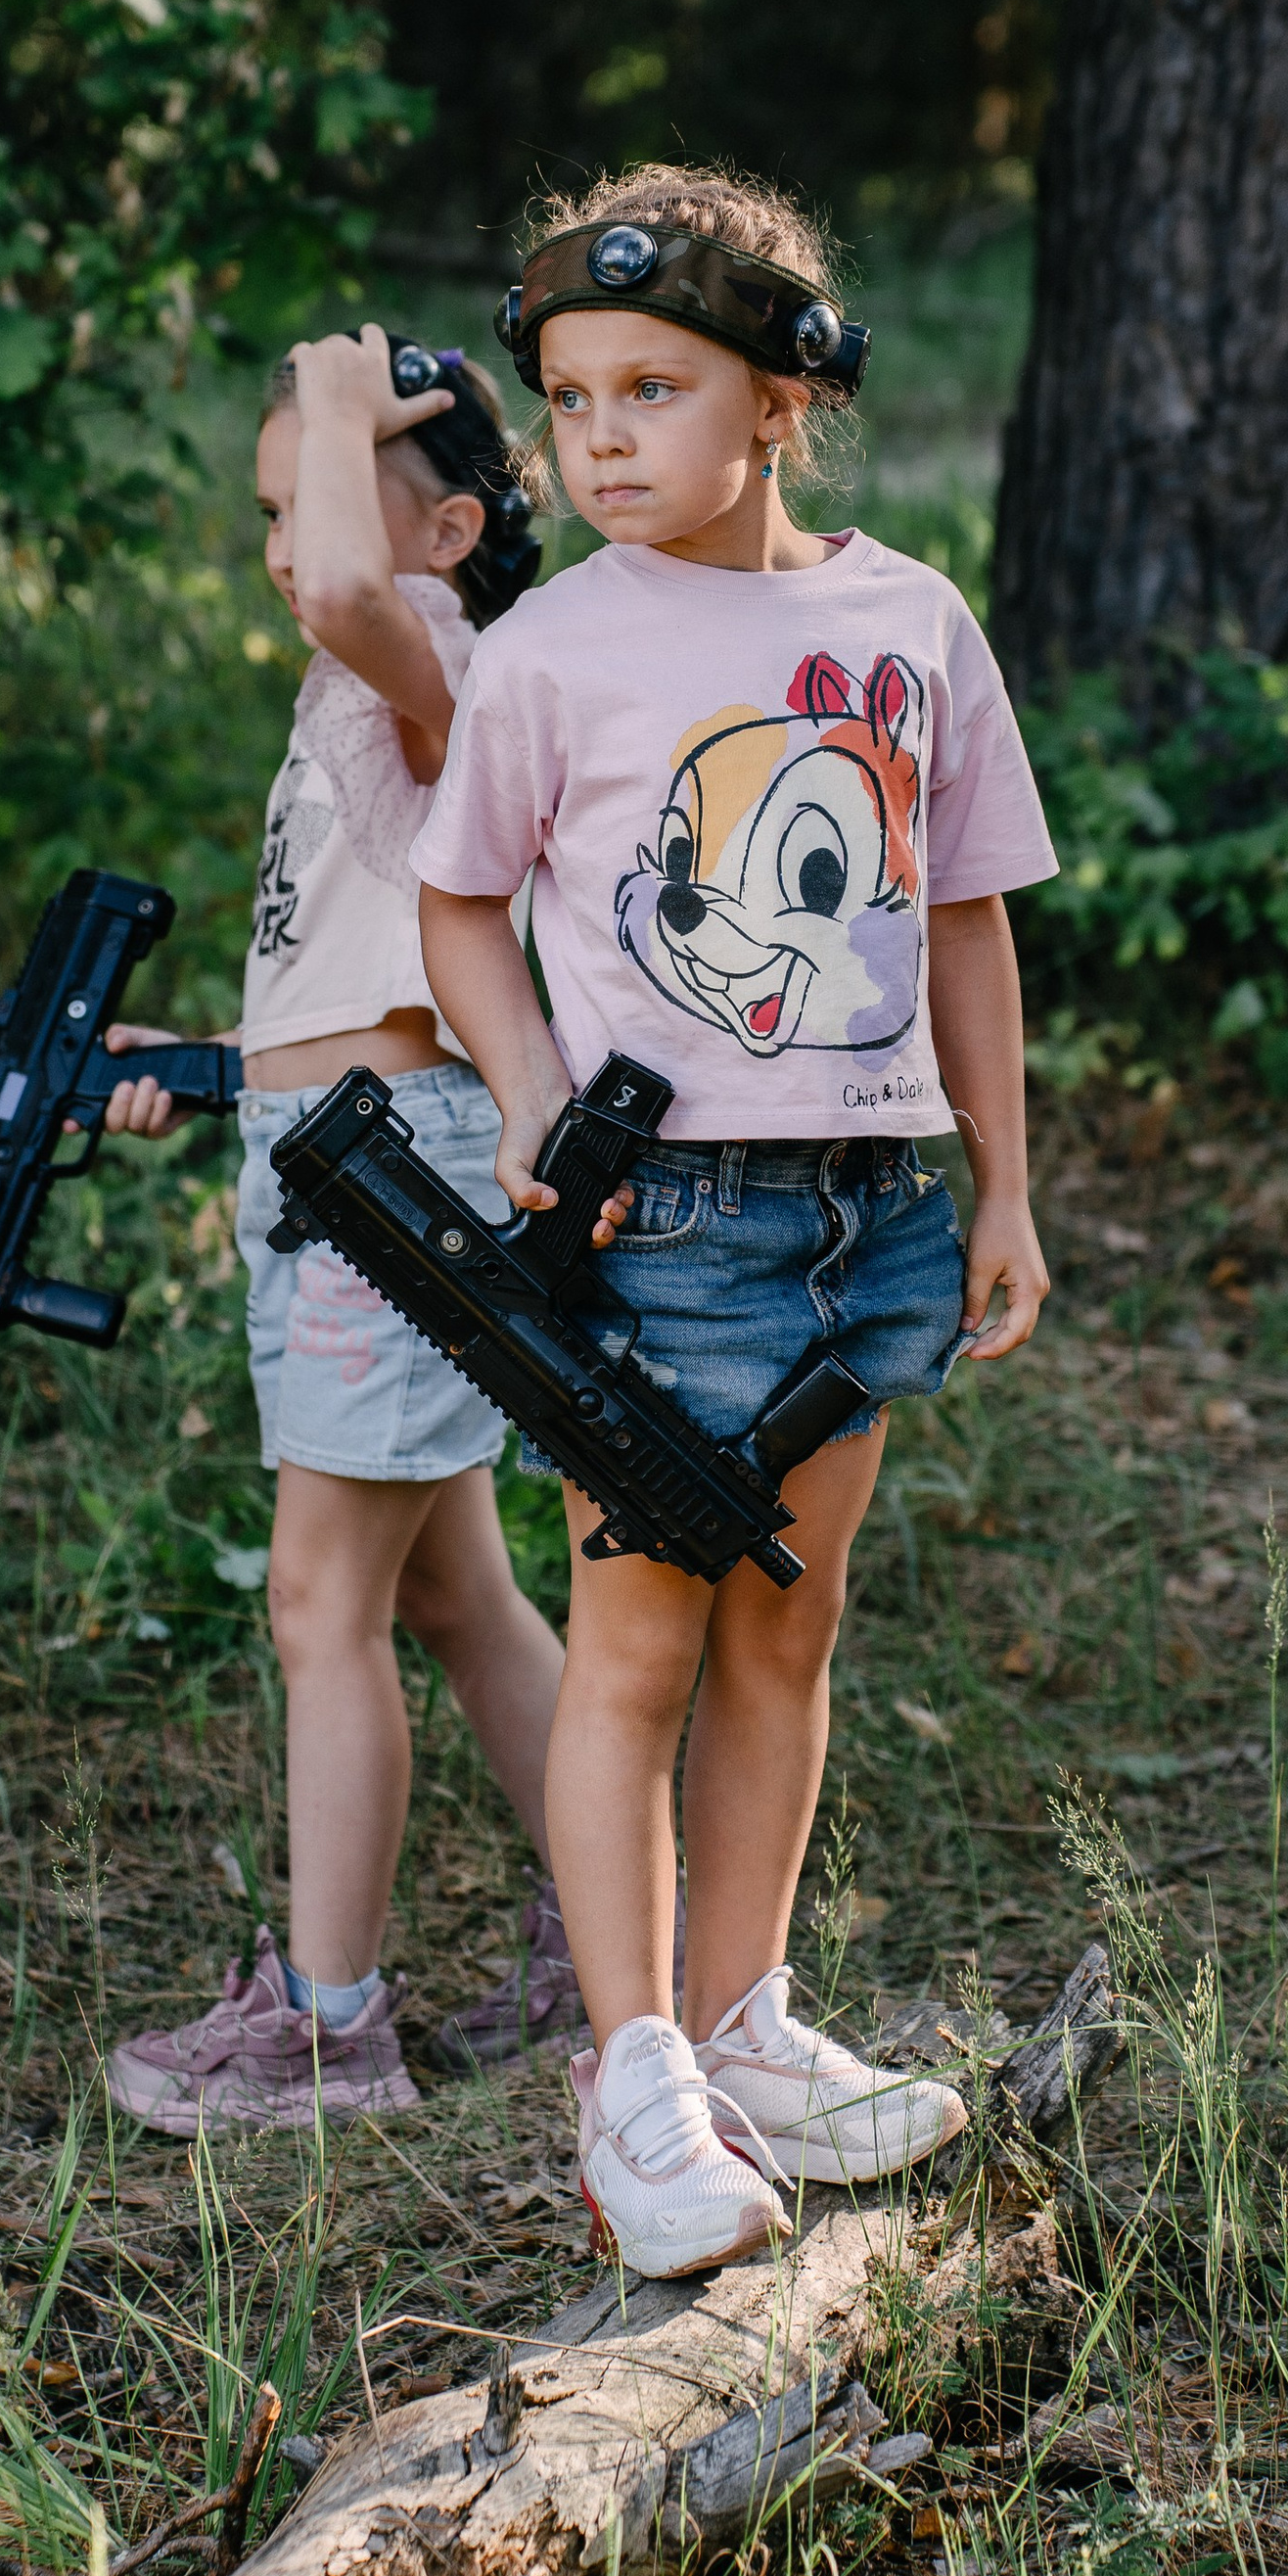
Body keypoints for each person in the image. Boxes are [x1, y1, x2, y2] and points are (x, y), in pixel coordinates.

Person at [412, 164, 1058, 2276]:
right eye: (570, 399)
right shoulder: (549, 648)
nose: (595, 439)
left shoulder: (905, 625)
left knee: (790, 1628)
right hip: (651, 1227)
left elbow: (957, 922)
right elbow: (457, 902)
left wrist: (1001, 1181)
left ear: (778, 404)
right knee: (635, 1651)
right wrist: (525, 1105)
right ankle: (633, 2081)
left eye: (650, 391)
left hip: (861, 1210)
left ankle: (745, 2019)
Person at [97, 323, 584, 2132]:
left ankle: (328, 2029)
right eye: (272, 512)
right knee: (450, 1587)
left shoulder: (442, 657)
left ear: (444, 533)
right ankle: (614, 1934)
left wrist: (337, 390)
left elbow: (345, 603)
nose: (290, 549)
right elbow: (371, 990)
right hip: (343, 1138)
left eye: (323, 499)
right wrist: (212, 1062)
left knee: (321, 1605)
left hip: (393, 1171)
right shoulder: (365, 682)